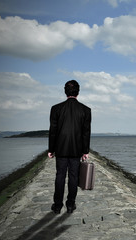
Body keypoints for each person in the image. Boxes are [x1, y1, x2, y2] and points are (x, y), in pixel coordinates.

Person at [48, 80, 91, 214]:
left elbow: (53, 131)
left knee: (60, 176)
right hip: (76, 150)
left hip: (60, 149)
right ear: (78, 92)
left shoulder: (56, 108)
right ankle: (70, 205)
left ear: (65, 91)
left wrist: (51, 149)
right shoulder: (86, 110)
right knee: (74, 177)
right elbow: (86, 133)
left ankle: (57, 206)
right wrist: (85, 151)